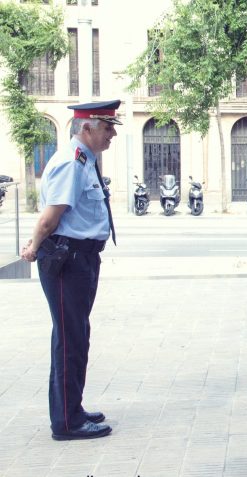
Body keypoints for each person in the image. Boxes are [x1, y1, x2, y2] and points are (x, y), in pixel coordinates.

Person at [20, 100, 121, 440]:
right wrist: (33, 246)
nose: (112, 134)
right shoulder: (71, 163)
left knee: (77, 335)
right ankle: (66, 422)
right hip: (68, 260)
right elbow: (51, 216)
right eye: (107, 127)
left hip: (82, 259)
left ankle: (72, 408)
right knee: (70, 339)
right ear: (87, 128)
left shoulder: (85, 161)